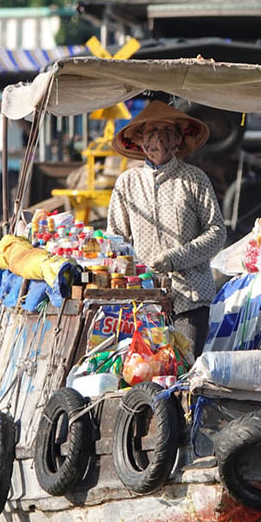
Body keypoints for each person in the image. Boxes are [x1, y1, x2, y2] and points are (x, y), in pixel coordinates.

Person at [107, 100, 226, 364]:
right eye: (151, 133)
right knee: (145, 370)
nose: (159, 141)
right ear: (139, 141)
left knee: (186, 368)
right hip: (144, 300)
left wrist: (175, 258)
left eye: (167, 134)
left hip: (191, 297)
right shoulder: (127, 182)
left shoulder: (194, 178)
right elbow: (116, 240)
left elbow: (217, 232)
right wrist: (131, 274)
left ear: (177, 142)